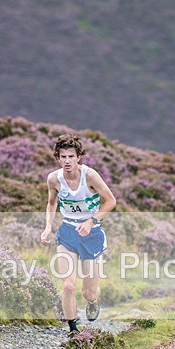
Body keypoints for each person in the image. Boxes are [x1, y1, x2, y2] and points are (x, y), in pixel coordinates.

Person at [40, 134, 116, 338]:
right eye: (62, 156)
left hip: (91, 235)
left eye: (71, 156)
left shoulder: (90, 176)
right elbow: (51, 203)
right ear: (57, 158)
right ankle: (73, 331)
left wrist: (91, 221)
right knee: (68, 285)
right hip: (67, 234)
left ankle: (93, 301)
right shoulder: (53, 179)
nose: (67, 161)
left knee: (88, 292)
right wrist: (48, 227)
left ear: (78, 157)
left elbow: (110, 201)